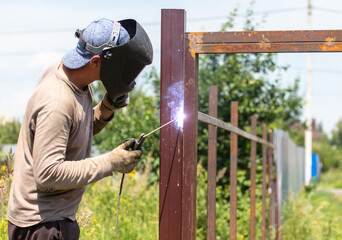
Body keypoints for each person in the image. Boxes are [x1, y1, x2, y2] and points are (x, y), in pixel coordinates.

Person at [7, 18, 153, 239]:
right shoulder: (57, 101)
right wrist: (110, 162)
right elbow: (48, 174)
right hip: (42, 226)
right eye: (120, 64)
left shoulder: (77, 81)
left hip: (55, 219)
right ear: (96, 61)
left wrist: (104, 110)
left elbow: (72, 131)